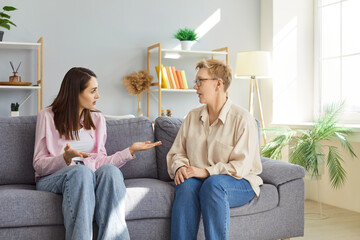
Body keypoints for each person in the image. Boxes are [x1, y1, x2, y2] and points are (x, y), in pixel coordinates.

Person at [33, 67, 161, 240]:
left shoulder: (97, 119)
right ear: (74, 92)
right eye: (93, 91)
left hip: (85, 175)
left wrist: (130, 151)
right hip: (53, 178)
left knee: (111, 171)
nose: (98, 96)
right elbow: (39, 165)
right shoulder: (47, 116)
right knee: (80, 171)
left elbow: (99, 161)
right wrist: (65, 158)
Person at [167, 59, 263, 240]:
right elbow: (177, 152)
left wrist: (205, 172)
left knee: (213, 185)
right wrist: (180, 167)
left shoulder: (243, 119)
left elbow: (240, 168)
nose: (195, 87)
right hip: (202, 180)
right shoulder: (192, 116)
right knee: (186, 186)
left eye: (200, 81)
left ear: (219, 83)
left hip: (239, 181)